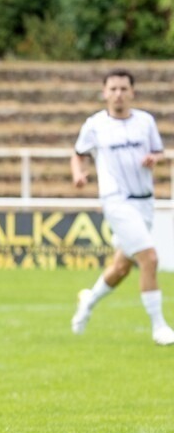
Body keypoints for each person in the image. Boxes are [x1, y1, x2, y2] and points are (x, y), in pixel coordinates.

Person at [70, 69, 174, 346]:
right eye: (113, 89)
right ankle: (159, 327)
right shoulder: (95, 125)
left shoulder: (145, 121)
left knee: (121, 268)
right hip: (116, 201)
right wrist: (79, 174)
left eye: (123, 89)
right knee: (149, 258)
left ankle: (87, 302)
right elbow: (78, 154)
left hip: (145, 201)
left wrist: (155, 158)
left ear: (132, 92)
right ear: (104, 93)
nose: (118, 94)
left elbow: (159, 152)